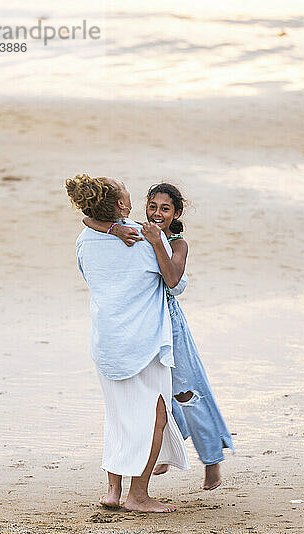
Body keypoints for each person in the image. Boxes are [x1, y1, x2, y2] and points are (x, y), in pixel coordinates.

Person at [83, 183, 234, 491]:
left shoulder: (177, 243)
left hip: (171, 322)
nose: (156, 213)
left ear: (175, 213)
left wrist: (156, 244)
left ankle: (211, 458)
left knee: (187, 391)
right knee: (156, 392)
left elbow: (173, 280)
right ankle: (162, 453)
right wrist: (114, 230)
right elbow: (87, 220)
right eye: (152, 206)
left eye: (165, 208)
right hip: (147, 322)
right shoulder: (136, 231)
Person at [66, 174, 189, 513]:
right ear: (122, 204)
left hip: (106, 341)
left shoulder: (85, 239)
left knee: (118, 416)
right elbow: (176, 284)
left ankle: (113, 491)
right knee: (155, 415)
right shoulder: (144, 240)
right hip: (141, 344)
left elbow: (89, 223)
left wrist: (111, 228)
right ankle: (138, 495)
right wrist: (158, 244)